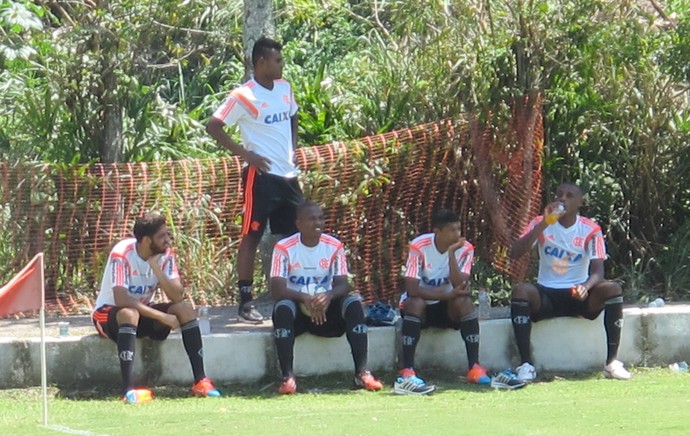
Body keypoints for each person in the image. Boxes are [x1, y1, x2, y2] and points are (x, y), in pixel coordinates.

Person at [206, 36, 302, 324]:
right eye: (277, 60)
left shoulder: (284, 87)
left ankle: (290, 297)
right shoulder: (243, 95)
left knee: (293, 238)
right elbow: (214, 126)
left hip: (289, 176)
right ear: (261, 63)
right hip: (260, 178)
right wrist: (246, 154)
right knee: (252, 236)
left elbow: (293, 116)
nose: (282, 64)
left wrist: (293, 149)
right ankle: (246, 302)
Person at [92, 213, 221, 403]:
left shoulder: (165, 254)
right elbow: (121, 299)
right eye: (162, 236)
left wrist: (156, 268)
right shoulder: (122, 253)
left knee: (184, 309)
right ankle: (128, 390)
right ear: (145, 240)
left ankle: (201, 381)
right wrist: (162, 317)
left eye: (167, 235)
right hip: (109, 315)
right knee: (129, 313)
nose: (168, 240)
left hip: (142, 314)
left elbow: (177, 295)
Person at [509, 182, 631, 381]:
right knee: (521, 291)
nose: (562, 199)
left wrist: (586, 287)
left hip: (577, 293)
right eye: (559, 195)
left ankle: (612, 362)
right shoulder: (540, 223)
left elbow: (598, 271)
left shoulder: (590, 229)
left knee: (613, 289)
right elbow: (514, 254)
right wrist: (544, 224)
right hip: (547, 294)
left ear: (580, 203)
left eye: (569, 195)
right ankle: (526, 365)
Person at [269, 200, 383, 394]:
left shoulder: (334, 246)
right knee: (283, 307)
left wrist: (327, 296)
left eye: (321, 218)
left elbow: (343, 284)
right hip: (299, 313)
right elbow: (277, 289)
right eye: (312, 219)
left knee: (354, 303)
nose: (318, 223)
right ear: (299, 224)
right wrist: (305, 298)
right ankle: (288, 378)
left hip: (327, 312)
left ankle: (361, 373)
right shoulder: (284, 247)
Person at [395, 208, 492, 395]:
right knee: (415, 302)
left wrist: (451, 255)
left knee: (464, 302)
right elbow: (412, 289)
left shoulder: (465, 249)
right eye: (452, 230)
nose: (458, 234)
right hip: (421, 308)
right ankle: (407, 370)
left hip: (447, 308)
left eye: (459, 229)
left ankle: (474, 367)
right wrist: (446, 294)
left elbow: (459, 284)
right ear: (437, 232)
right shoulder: (419, 246)